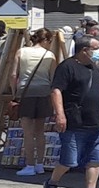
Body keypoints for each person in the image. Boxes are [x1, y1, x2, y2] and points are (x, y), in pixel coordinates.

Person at [45, 35, 99, 188]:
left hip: (95, 121)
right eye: (96, 49)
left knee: (95, 158)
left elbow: (98, 93)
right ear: (84, 50)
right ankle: (52, 183)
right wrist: (60, 114)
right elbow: (56, 91)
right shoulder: (67, 67)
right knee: (69, 161)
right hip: (74, 121)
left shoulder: (93, 67)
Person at [12, 28, 62, 176]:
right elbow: (53, 78)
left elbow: (14, 74)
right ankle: (40, 164)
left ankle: (29, 165)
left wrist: (15, 93)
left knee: (27, 132)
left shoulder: (21, 52)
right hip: (44, 93)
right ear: (46, 40)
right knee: (40, 132)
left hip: (26, 93)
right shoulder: (50, 55)